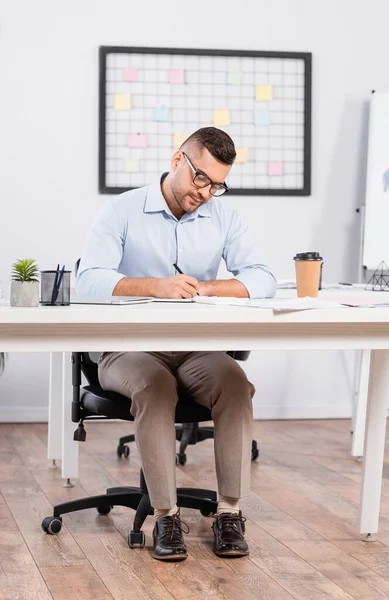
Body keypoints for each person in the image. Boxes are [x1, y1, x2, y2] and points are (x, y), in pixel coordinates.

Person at [77, 127, 276, 561]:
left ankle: (229, 513)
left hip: (194, 348)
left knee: (235, 384)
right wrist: (156, 286)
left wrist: (206, 288)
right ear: (176, 161)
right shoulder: (123, 210)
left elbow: (263, 278)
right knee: (154, 386)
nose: (206, 192)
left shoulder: (224, 217)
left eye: (217, 184)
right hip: (127, 349)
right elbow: (88, 280)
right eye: (200, 178)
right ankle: (165, 516)